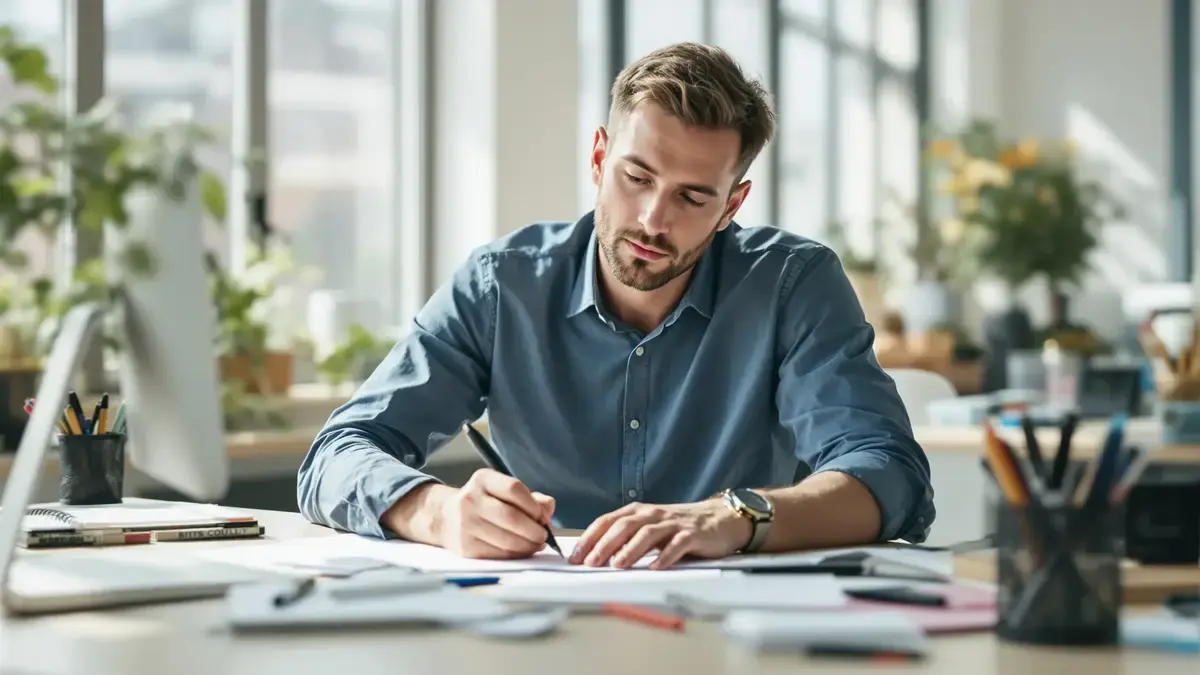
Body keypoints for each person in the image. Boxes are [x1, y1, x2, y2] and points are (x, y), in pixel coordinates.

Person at [297, 42, 934, 570]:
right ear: (600, 158)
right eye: (637, 177)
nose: (653, 220)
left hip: (732, 627)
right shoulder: (501, 286)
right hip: (543, 616)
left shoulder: (793, 285)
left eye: (692, 198)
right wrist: (438, 511)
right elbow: (336, 454)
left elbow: (890, 475)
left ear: (731, 206)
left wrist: (735, 516)